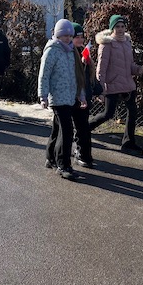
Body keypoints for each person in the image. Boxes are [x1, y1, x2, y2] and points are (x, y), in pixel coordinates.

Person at [88, 15, 143, 155]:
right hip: (112, 85)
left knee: (132, 111)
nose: (120, 29)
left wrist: (138, 69)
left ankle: (128, 143)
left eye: (122, 26)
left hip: (127, 84)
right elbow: (101, 69)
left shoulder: (127, 43)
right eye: (117, 27)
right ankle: (84, 129)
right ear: (112, 28)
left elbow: (129, 65)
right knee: (108, 114)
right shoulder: (106, 45)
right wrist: (100, 90)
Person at [38, 19, 86, 180]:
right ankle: (63, 165)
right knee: (67, 131)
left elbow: (77, 75)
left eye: (70, 36)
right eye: (64, 35)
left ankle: (50, 158)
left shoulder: (71, 51)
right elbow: (44, 75)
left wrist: (81, 95)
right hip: (58, 97)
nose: (68, 38)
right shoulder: (52, 51)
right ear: (58, 35)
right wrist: (43, 96)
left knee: (57, 129)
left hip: (70, 97)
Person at [71, 23, 97, 168]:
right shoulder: (68, 53)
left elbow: (90, 76)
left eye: (82, 37)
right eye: (77, 37)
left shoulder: (84, 52)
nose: (80, 40)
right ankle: (56, 154)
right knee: (65, 128)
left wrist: (98, 91)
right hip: (72, 96)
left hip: (84, 96)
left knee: (83, 128)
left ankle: (83, 154)